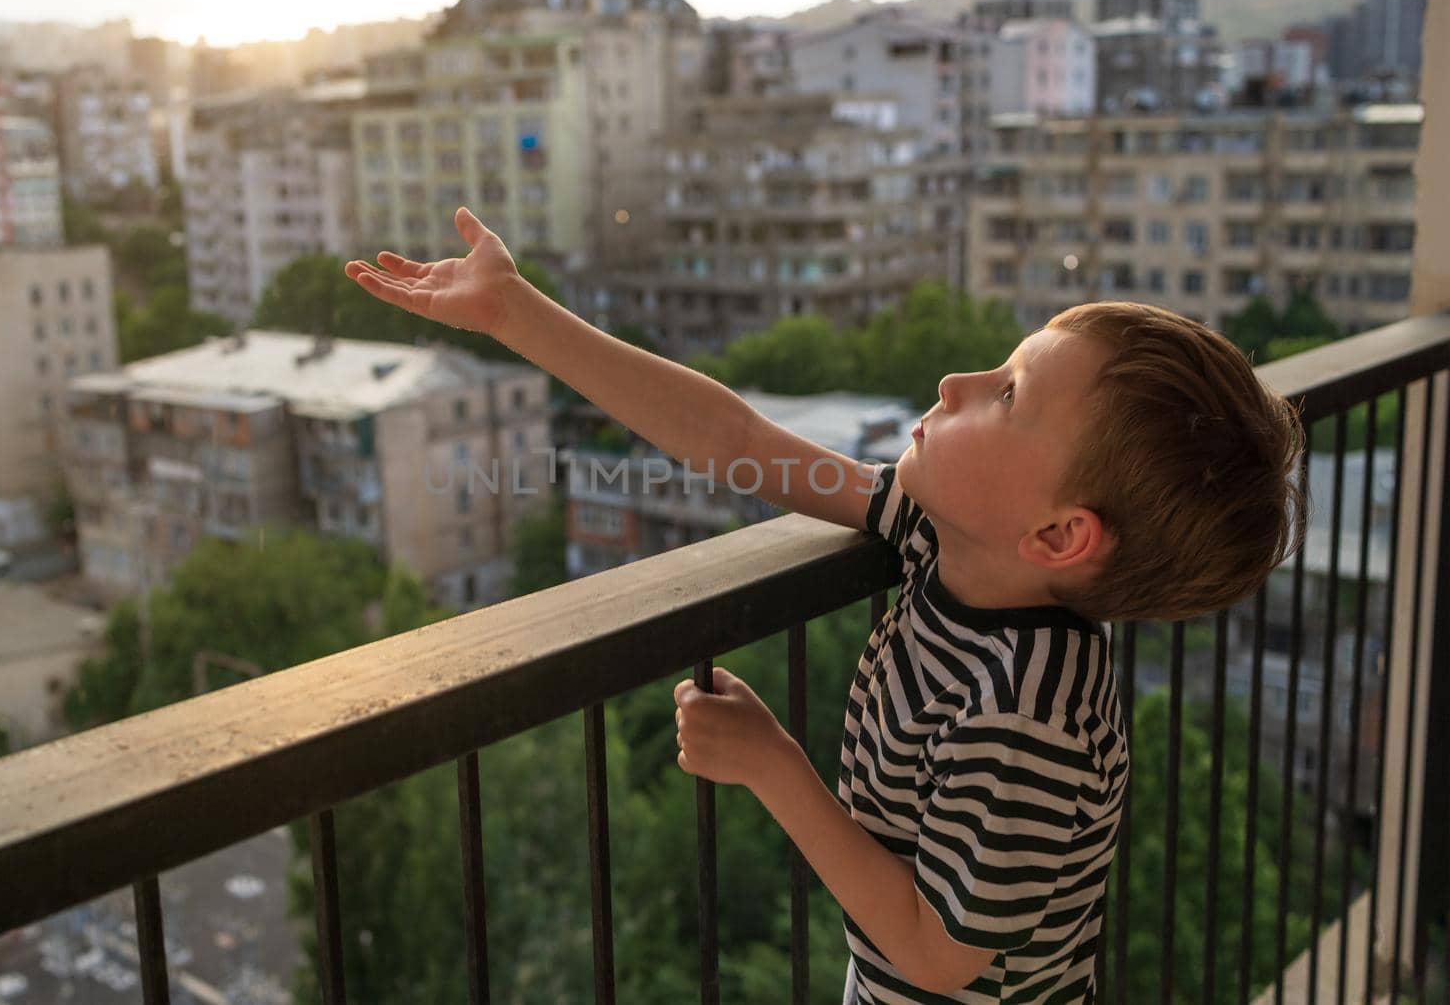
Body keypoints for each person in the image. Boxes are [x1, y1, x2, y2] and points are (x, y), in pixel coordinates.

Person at [344, 207, 1306, 1002]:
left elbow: (936, 953)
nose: (954, 382)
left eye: (1007, 396)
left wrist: (773, 765)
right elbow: (733, 437)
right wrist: (518, 315)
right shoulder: (941, 536)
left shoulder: (1028, 713)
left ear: (1059, 536)